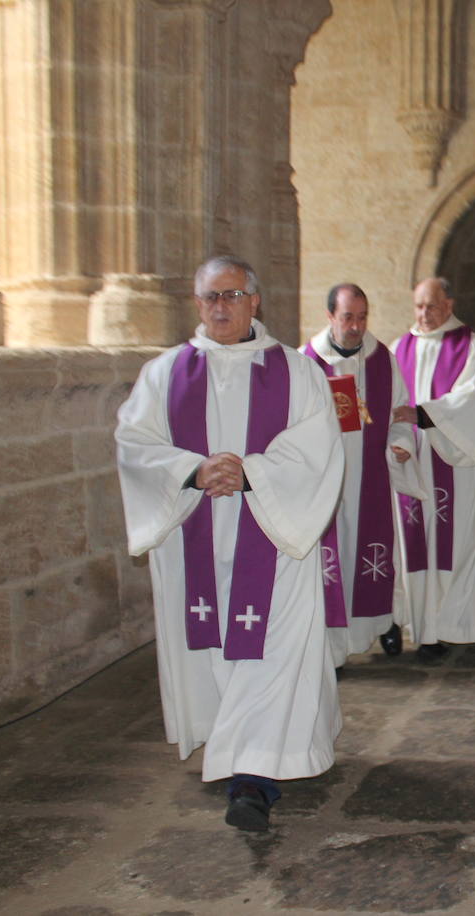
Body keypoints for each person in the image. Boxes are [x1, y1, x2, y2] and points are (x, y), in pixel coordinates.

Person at [114, 255, 345, 831]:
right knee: (215, 650)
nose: (220, 307)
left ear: (255, 301)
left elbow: (318, 448)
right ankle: (237, 751)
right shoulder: (164, 373)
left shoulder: (296, 371)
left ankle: (253, 780)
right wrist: (193, 471)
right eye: (210, 297)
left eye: (232, 295)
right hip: (194, 537)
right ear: (197, 304)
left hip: (273, 535)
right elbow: (134, 444)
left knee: (272, 652)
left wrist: (253, 475)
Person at [301, 283, 427, 667]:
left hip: (371, 477)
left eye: (361, 317)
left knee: (374, 556)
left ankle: (381, 622)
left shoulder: (382, 360)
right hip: (326, 481)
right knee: (331, 562)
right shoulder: (306, 362)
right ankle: (332, 648)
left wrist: (403, 442)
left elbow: (400, 412)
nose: (355, 326)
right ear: (329, 317)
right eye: (346, 318)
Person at [388, 277, 475, 659]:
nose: (424, 314)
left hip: (454, 469)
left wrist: (422, 414)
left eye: (431, 306)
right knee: (413, 546)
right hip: (413, 465)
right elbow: (390, 405)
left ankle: (452, 626)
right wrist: (399, 440)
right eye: (418, 306)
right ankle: (419, 626)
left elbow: (472, 401)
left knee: (457, 543)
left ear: (449, 305)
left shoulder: (472, 347)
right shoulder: (398, 348)